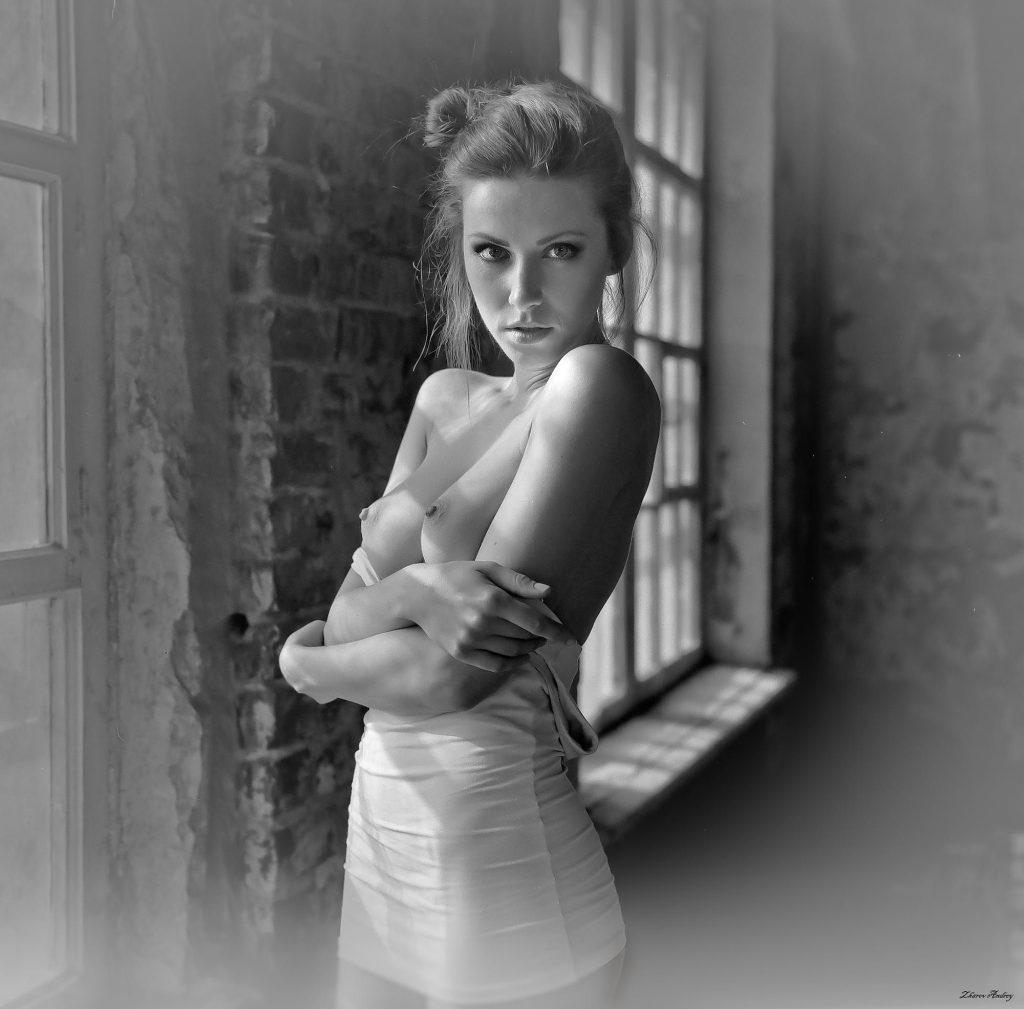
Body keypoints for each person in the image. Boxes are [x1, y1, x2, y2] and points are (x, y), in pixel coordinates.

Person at [279, 79, 660, 1009]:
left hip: (506, 872)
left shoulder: (599, 388)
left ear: (614, 244)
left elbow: (450, 679)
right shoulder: (444, 397)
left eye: (560, 250)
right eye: (492, 252)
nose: (520, 294)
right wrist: (416, 597)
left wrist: (309, 668)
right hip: (383, 842)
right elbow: (351, 612)